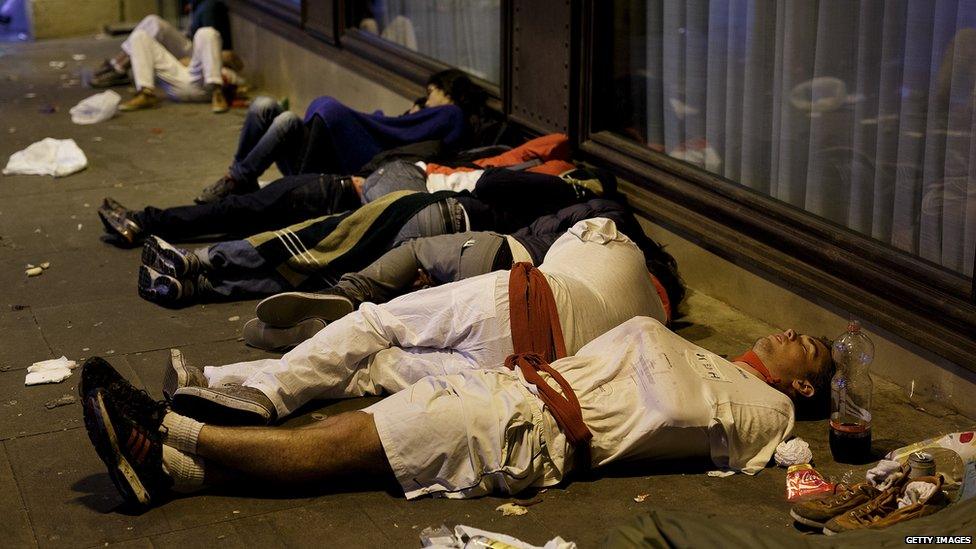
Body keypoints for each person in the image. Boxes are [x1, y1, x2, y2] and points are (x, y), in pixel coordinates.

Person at [79, 310, 834, 507]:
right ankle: (168, 471)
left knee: (347, 438)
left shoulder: (768, 411)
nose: (796, 333)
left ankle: (168, 427)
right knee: (355, 429)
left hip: (530, 429)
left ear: (803, 386)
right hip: (516, 388)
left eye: (812, 348)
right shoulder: (706, 356)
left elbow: (676, 423)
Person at [243, 199, 683, 351]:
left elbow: (547, 227)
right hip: (531, 305)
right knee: (420, 321)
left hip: (509, 258)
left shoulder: (603, 228)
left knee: (414, 250)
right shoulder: (646, 306)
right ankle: (327, 329)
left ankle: (347, 294)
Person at [96, 134, 575, 247]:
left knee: (245, 210)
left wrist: (565, 181)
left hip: (352, 190)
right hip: (354, 188)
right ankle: (153, 220)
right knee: (245, 211)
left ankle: (149, 221)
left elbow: (549, 154)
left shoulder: (508, 183)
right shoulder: (498, 174)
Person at [194, 69, 487, 204]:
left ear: (447, 92)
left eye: (431, 91)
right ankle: (238, 176)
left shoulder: (451, 114)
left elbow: (394, 137)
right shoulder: (432, 114)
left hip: (338, 163)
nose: (427, 97)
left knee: (290, 118)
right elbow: (390, 127)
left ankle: (237, 179)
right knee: (264, 106)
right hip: (326, 153)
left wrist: (410, 116)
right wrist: (407, 115)